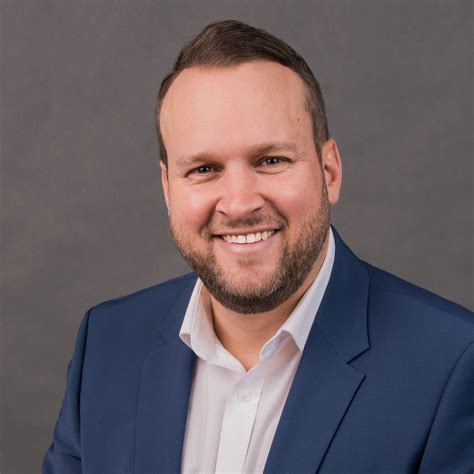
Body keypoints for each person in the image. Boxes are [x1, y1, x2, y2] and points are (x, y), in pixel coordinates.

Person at [43, 20, 473, 474]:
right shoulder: (106, 343)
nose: (240, 203)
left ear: (329, 172)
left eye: (271, 160)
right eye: (204, 169)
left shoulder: (454, 363)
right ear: (168, 188)